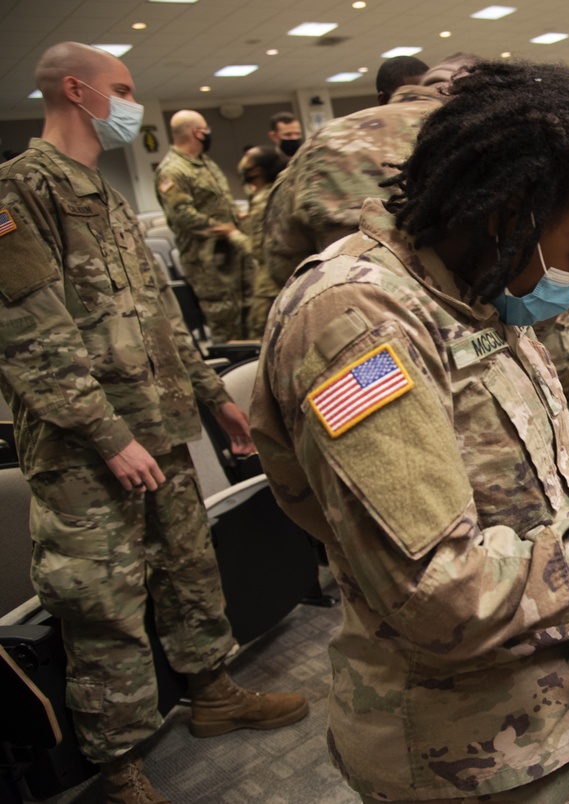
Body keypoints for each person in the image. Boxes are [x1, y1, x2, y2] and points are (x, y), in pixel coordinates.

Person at [250, 59, 569, 803]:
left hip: (561, 693)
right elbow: (442, 590)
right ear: (512, 211)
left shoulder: (475, 287)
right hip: (464, 749)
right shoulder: (357, 324)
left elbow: (540, 431)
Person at [0, 42, 308, 803]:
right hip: (84, 447)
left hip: (160, 425)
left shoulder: (100, 191)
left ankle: (213, 692)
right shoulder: (21, 190)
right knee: (104, 603)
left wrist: (215, 396)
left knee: (188, 570)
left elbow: (164, 319)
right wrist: (108, 435)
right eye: (124, 90)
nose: (134, 106)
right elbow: (30, 336)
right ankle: (121, 763)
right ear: (77, 91)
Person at [262, 53, 477, 290]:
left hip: (353, 303)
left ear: (382, 98)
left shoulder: (325, 140)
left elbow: (282, 260)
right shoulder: (479, 129)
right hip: (469, 309)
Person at [155, 109, 256, 343]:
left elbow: (216, 200)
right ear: (196, 132)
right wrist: (223, 228)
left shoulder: (204, 162)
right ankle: (233, 371)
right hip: (207, 259)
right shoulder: (173, 170)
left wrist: (235, 219)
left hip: (231, 251)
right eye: (206, 129)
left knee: (247, 315)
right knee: (224, 318)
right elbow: (181, 214)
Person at [237, 145, 287, 337]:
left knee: (262, 337)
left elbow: (258, 251)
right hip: (284, 277)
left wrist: (232, 233)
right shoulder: (278, 192)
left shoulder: (261, 203)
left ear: (257, 170)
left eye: (247, 158)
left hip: (269, 286)